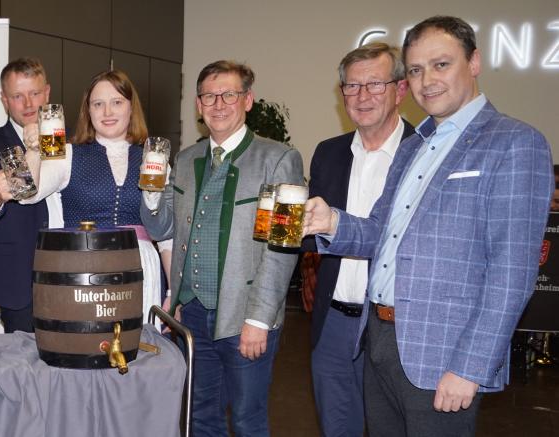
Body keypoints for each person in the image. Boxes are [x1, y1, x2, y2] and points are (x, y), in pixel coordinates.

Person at [304, 16, 552, 436]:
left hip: (441, 356)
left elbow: (511, 272)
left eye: (441, 64)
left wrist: (470, 366)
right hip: (379, 339)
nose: (427, 80)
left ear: (474, 62)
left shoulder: (513, 142)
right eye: (417, 69)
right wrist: (332, 222)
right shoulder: (414, 146)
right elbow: (381, 232)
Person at [141, 60, 303, 436]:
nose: (218, 104)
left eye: (229, 94)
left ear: (247, 100)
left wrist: (259, 319)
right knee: (200, 417)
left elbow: (283, 248)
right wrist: (151, 193)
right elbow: (161, 228)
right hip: (193, 313)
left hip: (245, 314)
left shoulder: (279, 159)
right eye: (209, 96)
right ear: (198, 105)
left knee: (247, 420)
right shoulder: (185, 160)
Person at [302, 42, 414, 437]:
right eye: (352, 86)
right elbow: (314, 239)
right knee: (337, 428)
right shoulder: (328, 153)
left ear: (400, 90)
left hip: (396, 325)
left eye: (375, 84)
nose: (362, 96)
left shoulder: (424, 153)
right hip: (333, 321)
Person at [24, 69, 169, 323]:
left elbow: (167, 236)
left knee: (138, 344)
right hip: (84, 266)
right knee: (86, 341)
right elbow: (28, 195)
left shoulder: (154, 158)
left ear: (131, 107)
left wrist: (171, 292)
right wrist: (34, 150)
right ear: (88, 111)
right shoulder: (68, 155)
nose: (107, 112)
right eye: (98, 104)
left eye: (117, 102)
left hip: (140, 266)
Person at [0, 57, 59, 333]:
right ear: (4, 100)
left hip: (69, 273)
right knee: (23, 360)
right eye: (18, 96)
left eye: (35, 93)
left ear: (47, 93)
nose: (28, 103)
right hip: (18, 281)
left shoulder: (67, 142)